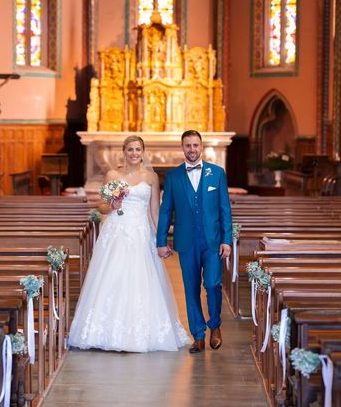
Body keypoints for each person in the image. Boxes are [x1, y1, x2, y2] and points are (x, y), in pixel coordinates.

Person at [68, 135, 189, 352]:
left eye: (138, 149)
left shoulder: (151, 177)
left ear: (143, 152)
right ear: (123, 151)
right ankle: (105, 331)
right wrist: (112, 205)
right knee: (113, 275)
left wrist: (161, 238)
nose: (134, 153)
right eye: (130, 149)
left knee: (142, 279)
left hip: (141, 232)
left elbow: (155, 211)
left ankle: (139, 333)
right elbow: (101, 206)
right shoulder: (112, 175)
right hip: (116, 230)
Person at [156, 130, 232, 354]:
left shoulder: (217, 173)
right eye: (188, 145)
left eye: (195, 145)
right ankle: (197, 335)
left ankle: (215, 324)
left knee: (212, 284)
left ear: (202, 147)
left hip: (212, 241)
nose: (192, 149)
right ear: (182, 148)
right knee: (190, 289)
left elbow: (224, 209)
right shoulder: (174, 176)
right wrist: (161, 241)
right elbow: (165, 211)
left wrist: (226, 240)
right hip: (186, 241)